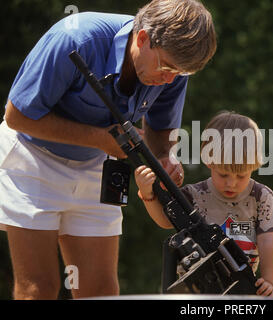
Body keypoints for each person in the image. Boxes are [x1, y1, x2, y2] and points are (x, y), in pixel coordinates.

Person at [0, 0, 216, 299]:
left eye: (179, 73)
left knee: (100, 291)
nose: (170, 79)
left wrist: (166, 158)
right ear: (142, 39)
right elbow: (17, 116)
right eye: (167, 67)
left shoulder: (173, 71)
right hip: (32, 159)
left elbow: (161, 132)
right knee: (39, 288)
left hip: (97, 164)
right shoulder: (75, 39)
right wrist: (100, 139)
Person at [135, 111, 273, 296]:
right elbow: (165, 220)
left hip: (239, 290)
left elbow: (268, 240)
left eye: (241, 175)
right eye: (223, 174)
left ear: (254, 166)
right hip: (195, 290)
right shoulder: (193, 195)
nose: (231, 183)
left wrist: (269, 281)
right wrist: (148, 193)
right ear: (208, 161)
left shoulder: (261, 196)